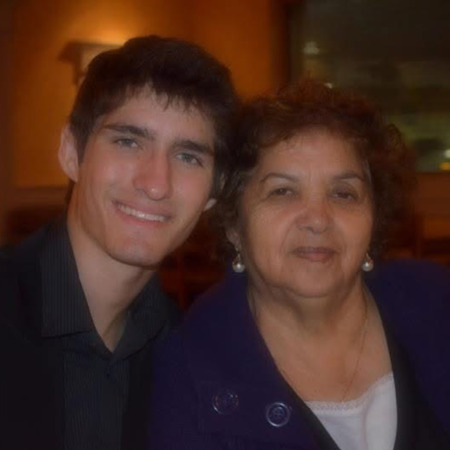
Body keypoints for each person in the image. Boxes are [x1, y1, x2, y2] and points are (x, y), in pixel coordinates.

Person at [148, 80, 450, 449]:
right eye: (283, 192)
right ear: (234, 224)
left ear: (374, 217)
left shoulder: (437, 304)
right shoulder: (188, 371)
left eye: (344, 193)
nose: (318, 219)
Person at [2, 35, 238, 450]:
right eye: (128, 142)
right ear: (71, 152)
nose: (156, 184)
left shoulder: (186, 354)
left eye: (188, 156)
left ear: (213, 192)